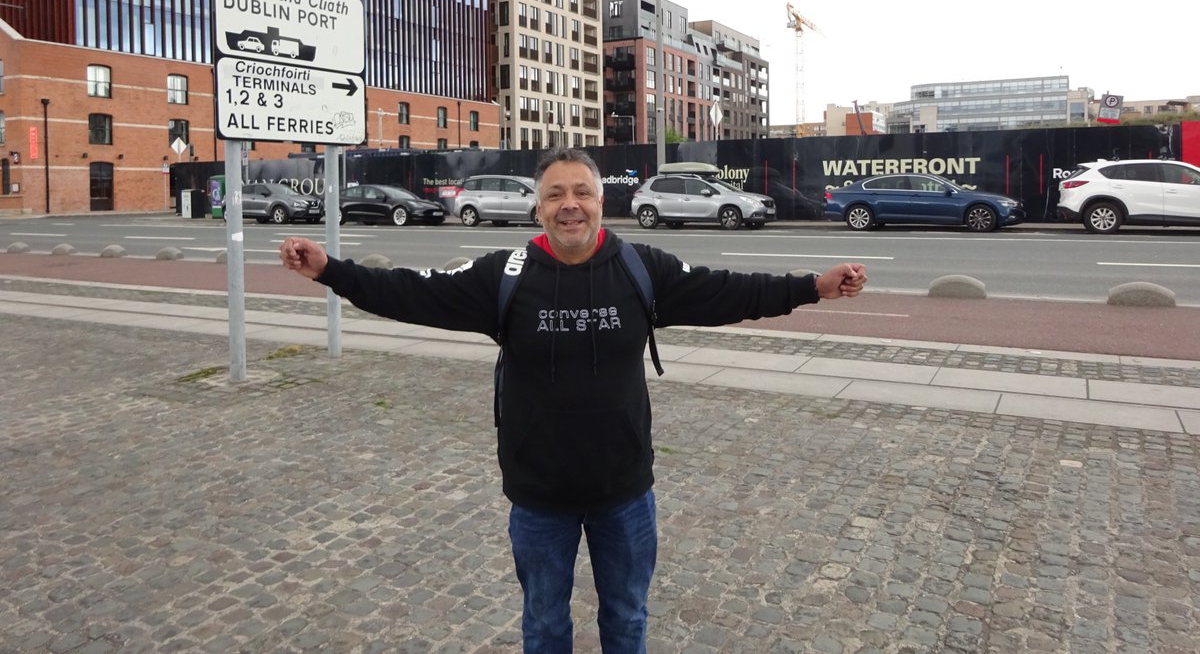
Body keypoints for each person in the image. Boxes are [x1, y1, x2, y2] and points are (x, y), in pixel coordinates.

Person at [280, 147, 867, 653]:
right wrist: (332, 270)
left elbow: (728, 290)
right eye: (556, 194)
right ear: (539, 208)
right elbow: (412, 292)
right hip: (539, 497)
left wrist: (811, 287)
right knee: (543, 624)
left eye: (582, 192)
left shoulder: (642, 268)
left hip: (625, 492)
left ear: (599, 202)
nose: (570, 204)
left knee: (627, 618)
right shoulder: (504, 274)